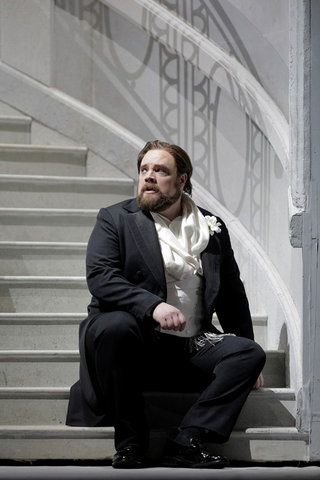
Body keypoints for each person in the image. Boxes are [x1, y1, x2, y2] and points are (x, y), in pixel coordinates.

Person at [66, 140, 266, 469]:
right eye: (144, 169)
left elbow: (232, 293)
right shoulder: (116, 218)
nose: (149, 176)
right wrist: (152, 306)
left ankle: (188, 440)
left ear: (182, 180)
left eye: (160, 170)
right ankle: (131, 442)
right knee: (113, 326)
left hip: (192, 344)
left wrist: (246, 343)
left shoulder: (210, 227)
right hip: (137, 344)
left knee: (248, 353)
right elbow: (101, 277)